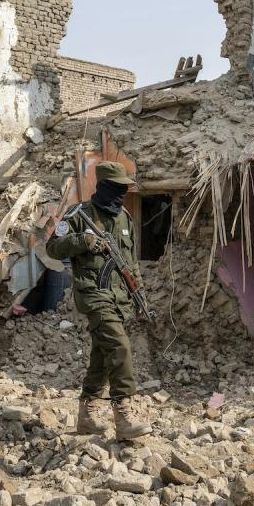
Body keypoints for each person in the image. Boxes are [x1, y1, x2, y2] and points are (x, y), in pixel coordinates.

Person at [46, 161, 153, 441]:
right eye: (117, 188)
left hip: (120, 298)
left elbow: (130, 263)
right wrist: (82, 241)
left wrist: (138, 293)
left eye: (124, 189)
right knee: (119, 346)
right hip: (93, 293)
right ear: (104, 187)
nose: (121, 194)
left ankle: (87, 415)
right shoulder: (80, 214)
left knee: (103, 355)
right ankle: (124, 415)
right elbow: (53, 248)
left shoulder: (125, 218)